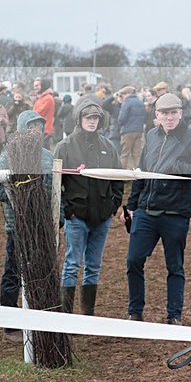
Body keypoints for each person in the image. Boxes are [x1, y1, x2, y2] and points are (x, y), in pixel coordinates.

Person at [122, 93, 191, 324]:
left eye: (173, 112)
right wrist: (131, 205)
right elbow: (141, 171)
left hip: (175, 213)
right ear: (157, 115)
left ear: (180, 113)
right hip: (146, 211)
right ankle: (135, 311)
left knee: (174, 267)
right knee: (133, 261)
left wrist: (174, 166)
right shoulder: (151, 136)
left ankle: (174, 316)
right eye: (164, 113)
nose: (169, 117)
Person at [0, 110, 54, 341]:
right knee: (13, 273)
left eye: (40, 127)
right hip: (17, 226)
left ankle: (43, 319)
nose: (37, 131)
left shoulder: (48, 156)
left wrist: (59, 217)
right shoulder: (7, 157)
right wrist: (23, 198)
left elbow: (56, 191)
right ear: (22, 129)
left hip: (42, 227)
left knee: (43, 271)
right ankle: (10, 325)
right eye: (32, 126)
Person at [55, 100, 124, 315]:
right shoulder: (65, 146)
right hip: (76, 217)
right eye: (88, 118)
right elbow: (57, 184)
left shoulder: (107, 146)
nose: (92, 122)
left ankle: (87, 315)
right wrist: (67, 211)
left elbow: (118, 178)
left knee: (93, 266)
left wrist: (113, 205)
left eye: (96, 118)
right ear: (79, 119)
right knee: (72, 264)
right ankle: (67, 315)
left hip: (102, 217)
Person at [117, 85, 145, 169]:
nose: (123, 96)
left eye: (124, 94)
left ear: (128, 93)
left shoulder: (127, 102)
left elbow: (121, 118)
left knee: (125, 154)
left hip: (128, 131)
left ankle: (121, 173)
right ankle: (138, 172)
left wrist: (121, 124)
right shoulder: (140, 102)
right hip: (139, 130)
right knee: (137, 154)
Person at [32, 77, 56, 149]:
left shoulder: (48, 98)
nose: (35, 88)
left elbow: (37, 113)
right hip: (40, 129)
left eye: (37, 86)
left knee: (44, 154)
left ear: (43, 85)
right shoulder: (42, 98)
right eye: (34, 86)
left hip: (44, 129)